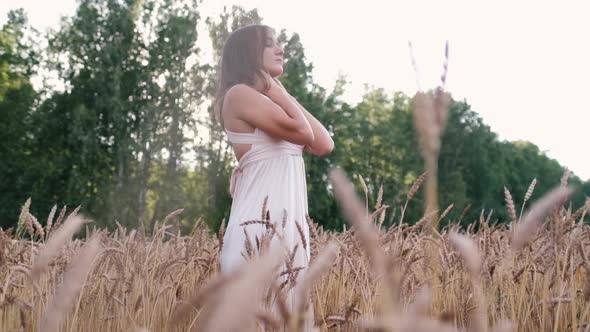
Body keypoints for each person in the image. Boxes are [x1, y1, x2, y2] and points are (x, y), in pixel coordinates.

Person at [214, 24, 334, 329]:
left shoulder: (272, 103)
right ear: (248, 54)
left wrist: (280, 92)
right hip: (258, 233)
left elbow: (323, 143)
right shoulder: (239, 95)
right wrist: (275, 91)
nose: (281, 49)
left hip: (287, 236)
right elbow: (304, 132)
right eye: (270, 44)